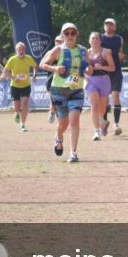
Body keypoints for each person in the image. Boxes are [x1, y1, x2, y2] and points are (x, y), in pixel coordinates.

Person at [40, 22, 87, 163]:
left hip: (76, 90)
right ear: (63, 35)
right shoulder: (58, 50)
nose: (70, 36)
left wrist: (90, 69)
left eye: (73, 33)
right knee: (63, 124)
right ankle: (59, 137)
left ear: (77, 35)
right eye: (67, 33)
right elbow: (43, 64)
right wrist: (55, 69)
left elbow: (88, 66)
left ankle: (73, 153)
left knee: (74, 120)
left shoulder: (83, 50)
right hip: (58, 90)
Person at [84, 31, 116, 141]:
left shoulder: (106, 52)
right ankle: (96, 132)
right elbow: (83, 68)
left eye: (97, 38)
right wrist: (87, 70)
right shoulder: (86, 53)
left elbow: (112, 68)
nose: (95, 40)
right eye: (92, 38)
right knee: (94, 106)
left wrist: (101, 67)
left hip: (104, 80)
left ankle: (104, 122)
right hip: (91, 80)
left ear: (100, 41)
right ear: (89, 41)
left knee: (102, 108)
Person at [100, 17, 126, 136]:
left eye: (111, 24)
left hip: (116, 71)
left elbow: (120, 53)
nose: (108, 26)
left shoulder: (119, 39)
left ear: (114, 27)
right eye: (107, 24)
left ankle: (116, 125)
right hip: (104, 72)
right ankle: (104, 123)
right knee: (105, 100)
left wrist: (122, 56)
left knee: (115, 96)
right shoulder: (100, 38)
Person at [4, 42, 37, 132]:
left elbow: (35, 66)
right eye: (19, 49)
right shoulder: (12, 59)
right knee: (17, 107)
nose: (21, 51)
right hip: (15, 86)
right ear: (16, 50)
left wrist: (34, 75)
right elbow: (6, 71)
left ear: (25, 50)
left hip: (26, 85)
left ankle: (23, 124)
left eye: (22, 49)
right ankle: (17, 112)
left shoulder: (29, 58)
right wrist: (13, 78)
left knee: (25, 103)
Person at [43, 34, 63, 124]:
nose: (58, 43)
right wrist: (54, 68)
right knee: (54, 101)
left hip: (63, 81)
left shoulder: (66, 52)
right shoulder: (50, 53)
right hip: (51, 80)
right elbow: (41, 65)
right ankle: (52, 112)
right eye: (56, 41)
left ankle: (61, 119)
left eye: (60, 41)